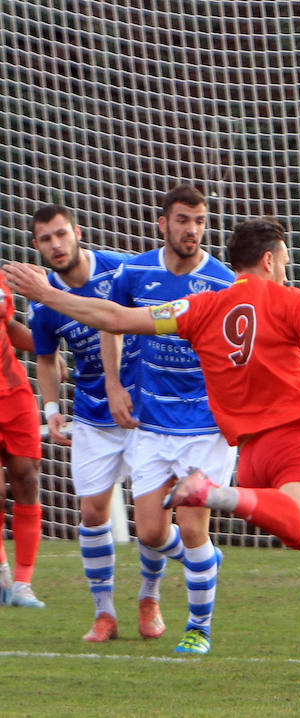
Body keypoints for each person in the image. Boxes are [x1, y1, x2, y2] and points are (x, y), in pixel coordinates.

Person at [3, 216, 300, 671]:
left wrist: (48, 294)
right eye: (284, 262)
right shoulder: (286, 299)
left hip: (254, 459)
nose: (286, 270)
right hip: (295, 444)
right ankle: (217, 495)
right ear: (268, 261)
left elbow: (116, 318)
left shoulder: (199, 306)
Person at [105, 184, 234, 654]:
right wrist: (115, 385)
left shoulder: (222, 282)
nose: (192, 230)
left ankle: (199, 629)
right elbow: (110, 321)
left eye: (199, 221)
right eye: (183, 220)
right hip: (152, 422)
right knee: (152, 533)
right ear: (163, 224)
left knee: (194, 528)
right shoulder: (135, 272)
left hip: (204, 426)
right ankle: (205, 562)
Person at [28, 205, 145, 640]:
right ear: (37, 245)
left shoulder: (122, 270)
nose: (56, 245)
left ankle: (150, 598)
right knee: (93, 513)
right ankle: (105, 614)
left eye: (61, 234)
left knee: (154, 520)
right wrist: (51, 410)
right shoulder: (43, 299)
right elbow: (46, 358)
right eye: (46, 239)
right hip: (93, 413)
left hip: (144, 409)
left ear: (77, 232)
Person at [0, 270, 44, 608]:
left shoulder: (2, 283)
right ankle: (1, 571)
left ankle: (22, 584)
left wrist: (46, 348)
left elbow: (10, 326)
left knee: (27, 479)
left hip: (14, 394)